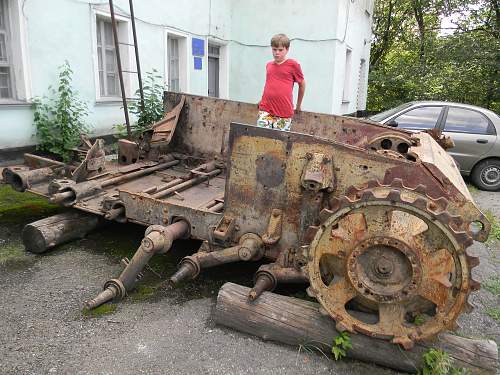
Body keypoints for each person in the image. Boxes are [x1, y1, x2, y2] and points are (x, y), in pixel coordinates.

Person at [257, 33, 306, 131]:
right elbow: (269, 84)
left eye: (280, 50)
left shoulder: (293, 65)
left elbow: (302, 84)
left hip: (284, 112)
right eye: (274, 49)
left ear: (287, 49)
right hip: (266, 109)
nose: (277, 53)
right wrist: (262, 99)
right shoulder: (269, 65)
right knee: (261, 137)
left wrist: (298, 105)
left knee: (279, 142)